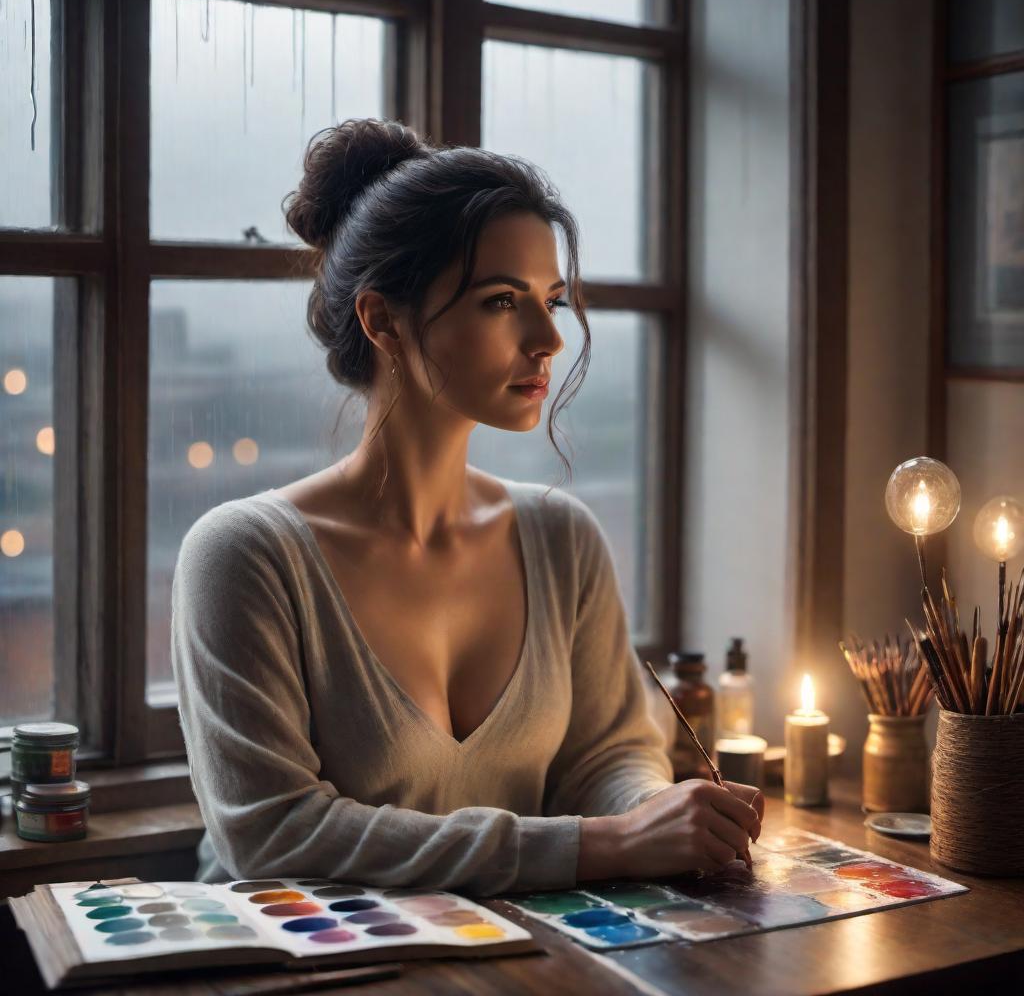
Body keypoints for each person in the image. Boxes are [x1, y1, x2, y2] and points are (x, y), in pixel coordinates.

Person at [170, 117, 764, 896]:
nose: (548, 336)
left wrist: (663, 810)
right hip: (305, 972)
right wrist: (606, 844)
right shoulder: (246, 555)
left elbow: (608, 752)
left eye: (552, 299)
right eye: (500, 302)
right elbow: (274, 832)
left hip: (513, 962)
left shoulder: (561, 537)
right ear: (382, 320)